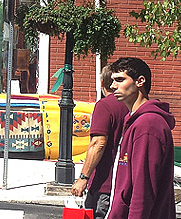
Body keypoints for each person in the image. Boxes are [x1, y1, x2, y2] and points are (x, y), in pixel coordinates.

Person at [106, 57, 175, 219]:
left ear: (140, 81)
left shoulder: (148, 125)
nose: (112, 86)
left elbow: (143, 188)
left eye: (119, 80)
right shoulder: (135, 121)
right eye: (112, 80)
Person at [71, 65, 128, 219]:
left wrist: (83, 178)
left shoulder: (105, 106)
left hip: (104, 185)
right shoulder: (130, 105)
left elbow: (98, 144)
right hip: (124, 184)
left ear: (103, 83)